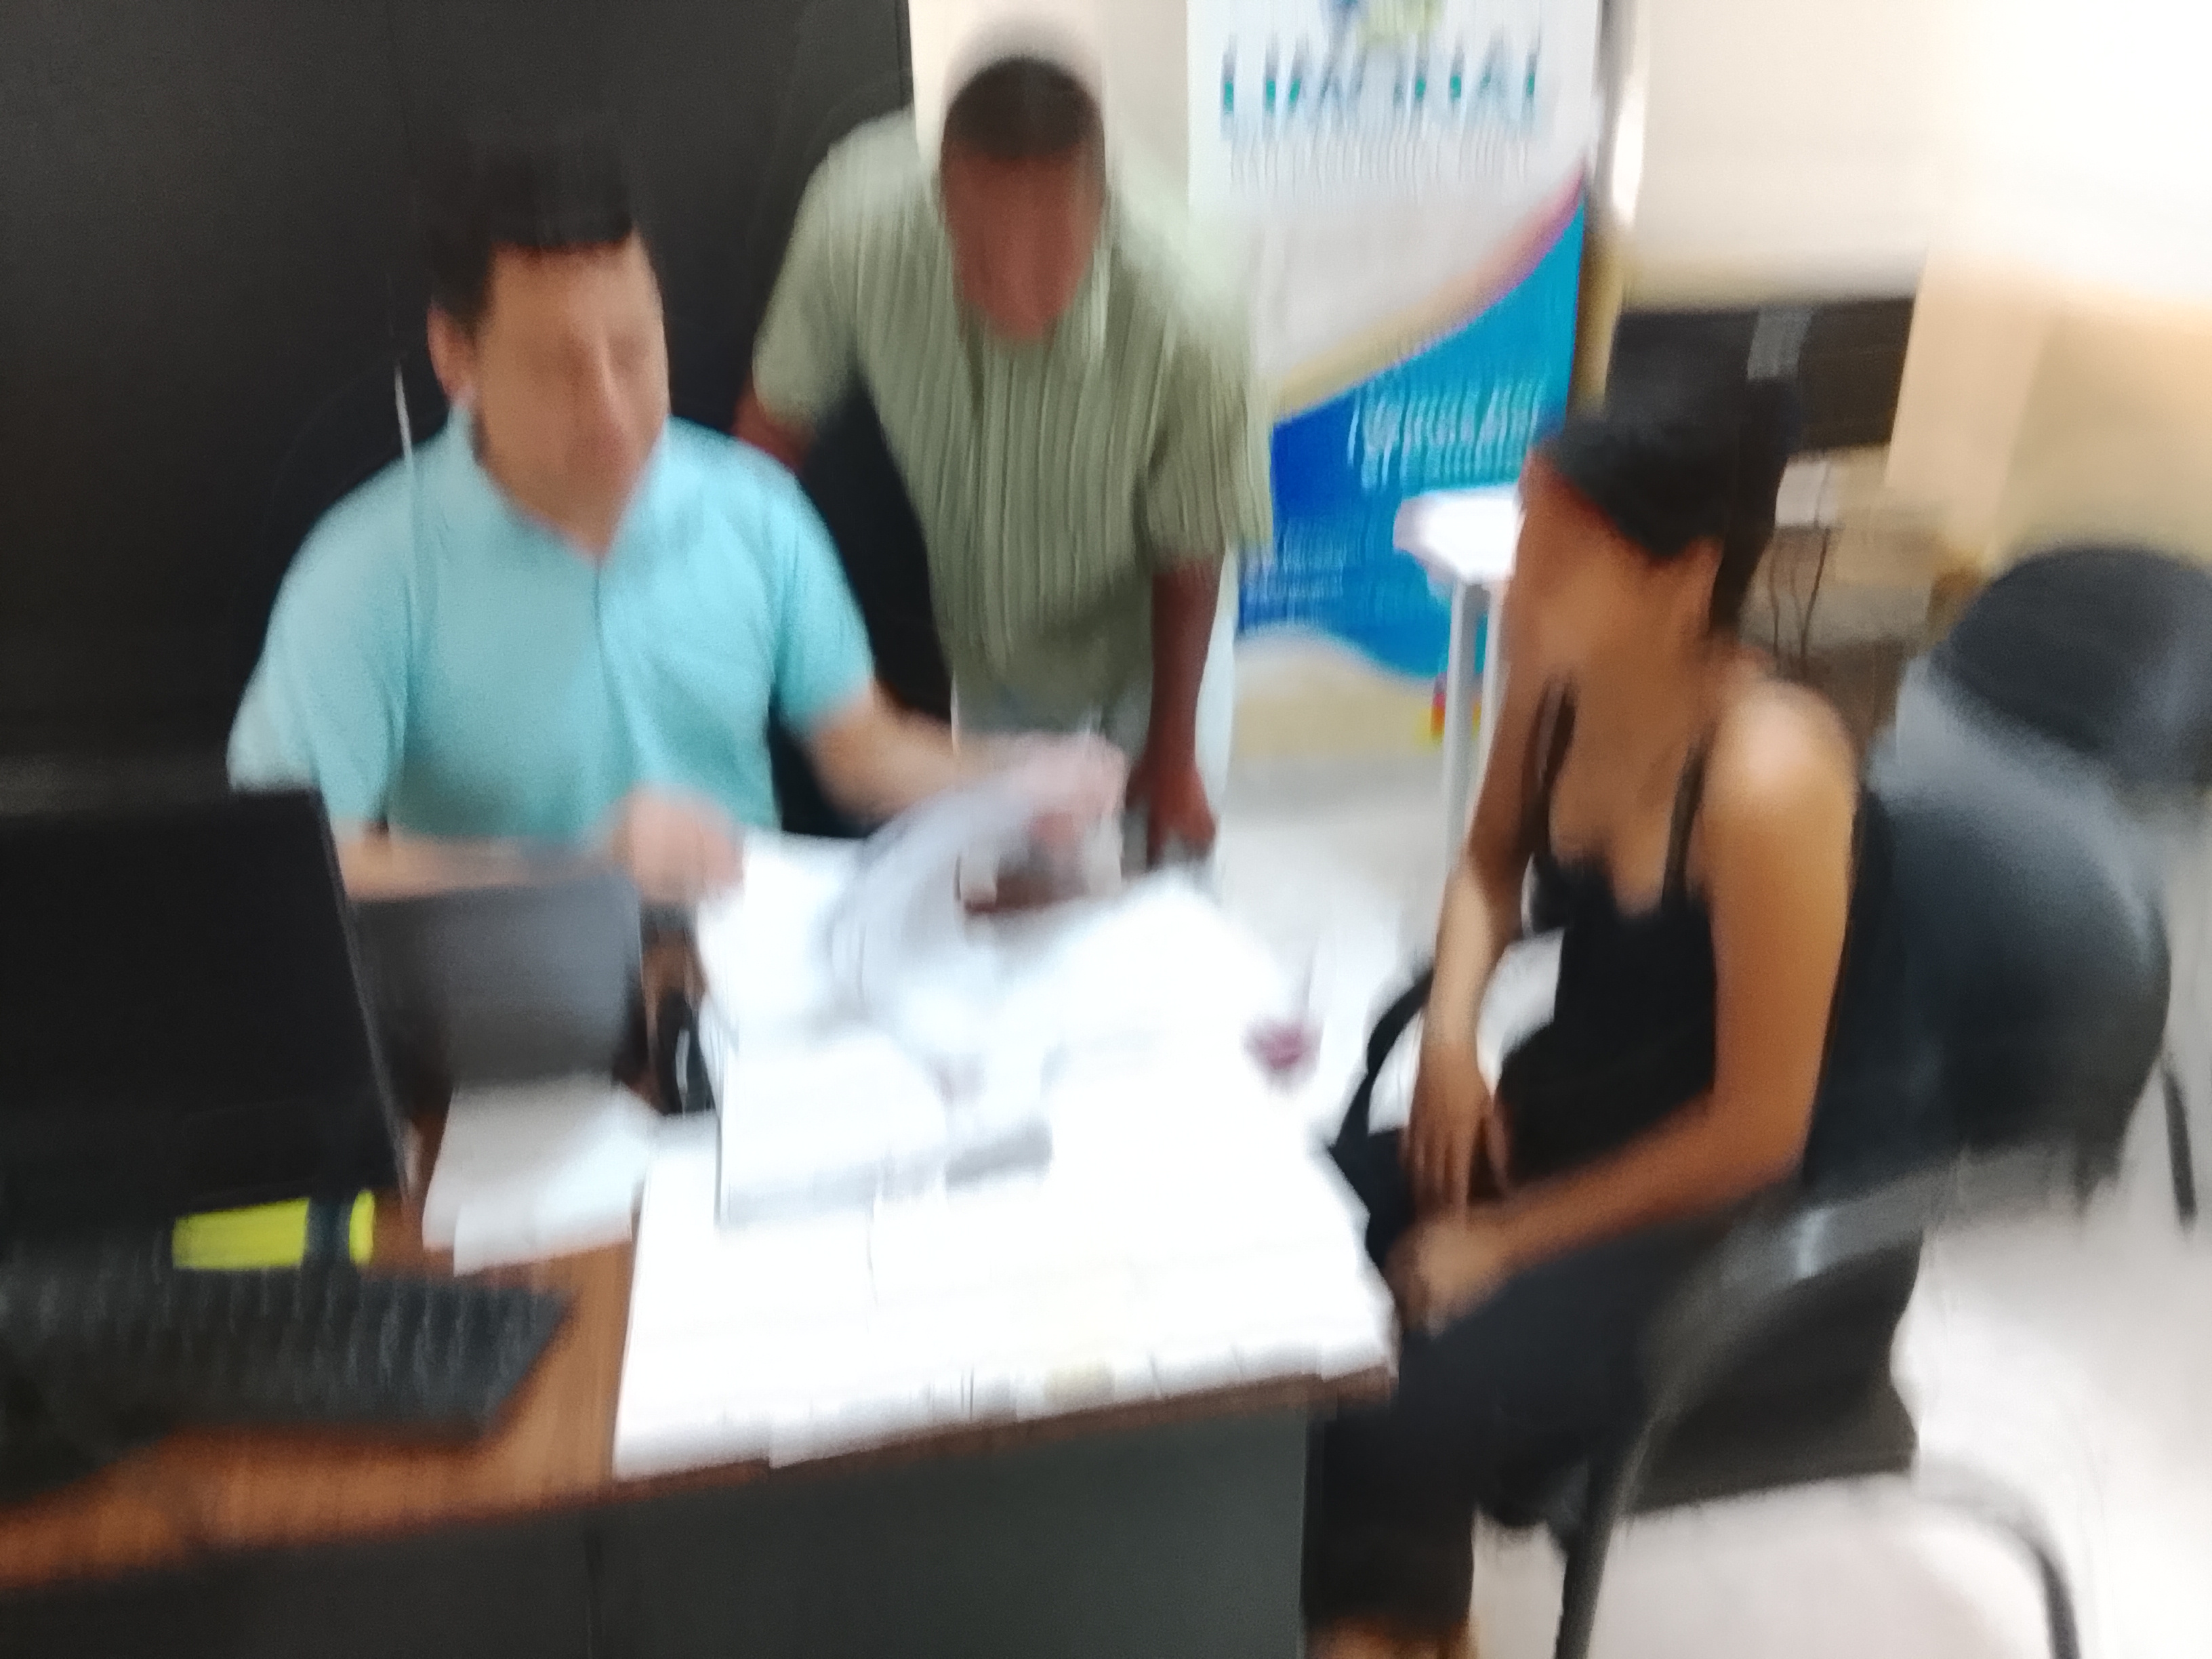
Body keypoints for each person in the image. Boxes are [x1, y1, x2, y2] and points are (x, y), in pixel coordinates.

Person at [1305, 384, 1925, 1658]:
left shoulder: (1764, 779)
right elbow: (1488, 865)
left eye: (1557, 553)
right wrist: (1451, 1039)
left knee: (1402, 1382)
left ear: (1679, 577)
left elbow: (1759, 1130)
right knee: (1297, 1238)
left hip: (1730, 1215)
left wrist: (1506, 1239)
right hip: (1586, 1113)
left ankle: (1391, 1628)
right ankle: (1378, 1611)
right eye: (1525, 534)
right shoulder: (1557, 677)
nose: (1517, 579)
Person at [229, 129, 1120, 901]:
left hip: (752, 969)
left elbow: (858, 747)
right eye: (559, 368)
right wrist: (578, 875)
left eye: (633, 349)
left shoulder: (754, 511)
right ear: (456, 356)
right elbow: (297, 861)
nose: (613, 412)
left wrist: (1009, 780)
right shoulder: (368, 573)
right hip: (517, 995)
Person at [735, 48, 1271, 869]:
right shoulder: (859, 226)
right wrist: (769, 638)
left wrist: (1172, 755)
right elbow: (769, 439)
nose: (1017, 292)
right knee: (1017, 887)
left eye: (1052, 256)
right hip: (991, 644)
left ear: (1102, 210)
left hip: (1150, 635)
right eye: (983, 254)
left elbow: (1192, 548)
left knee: (1170, 871)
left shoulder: (1193, 314)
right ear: (941, 202)